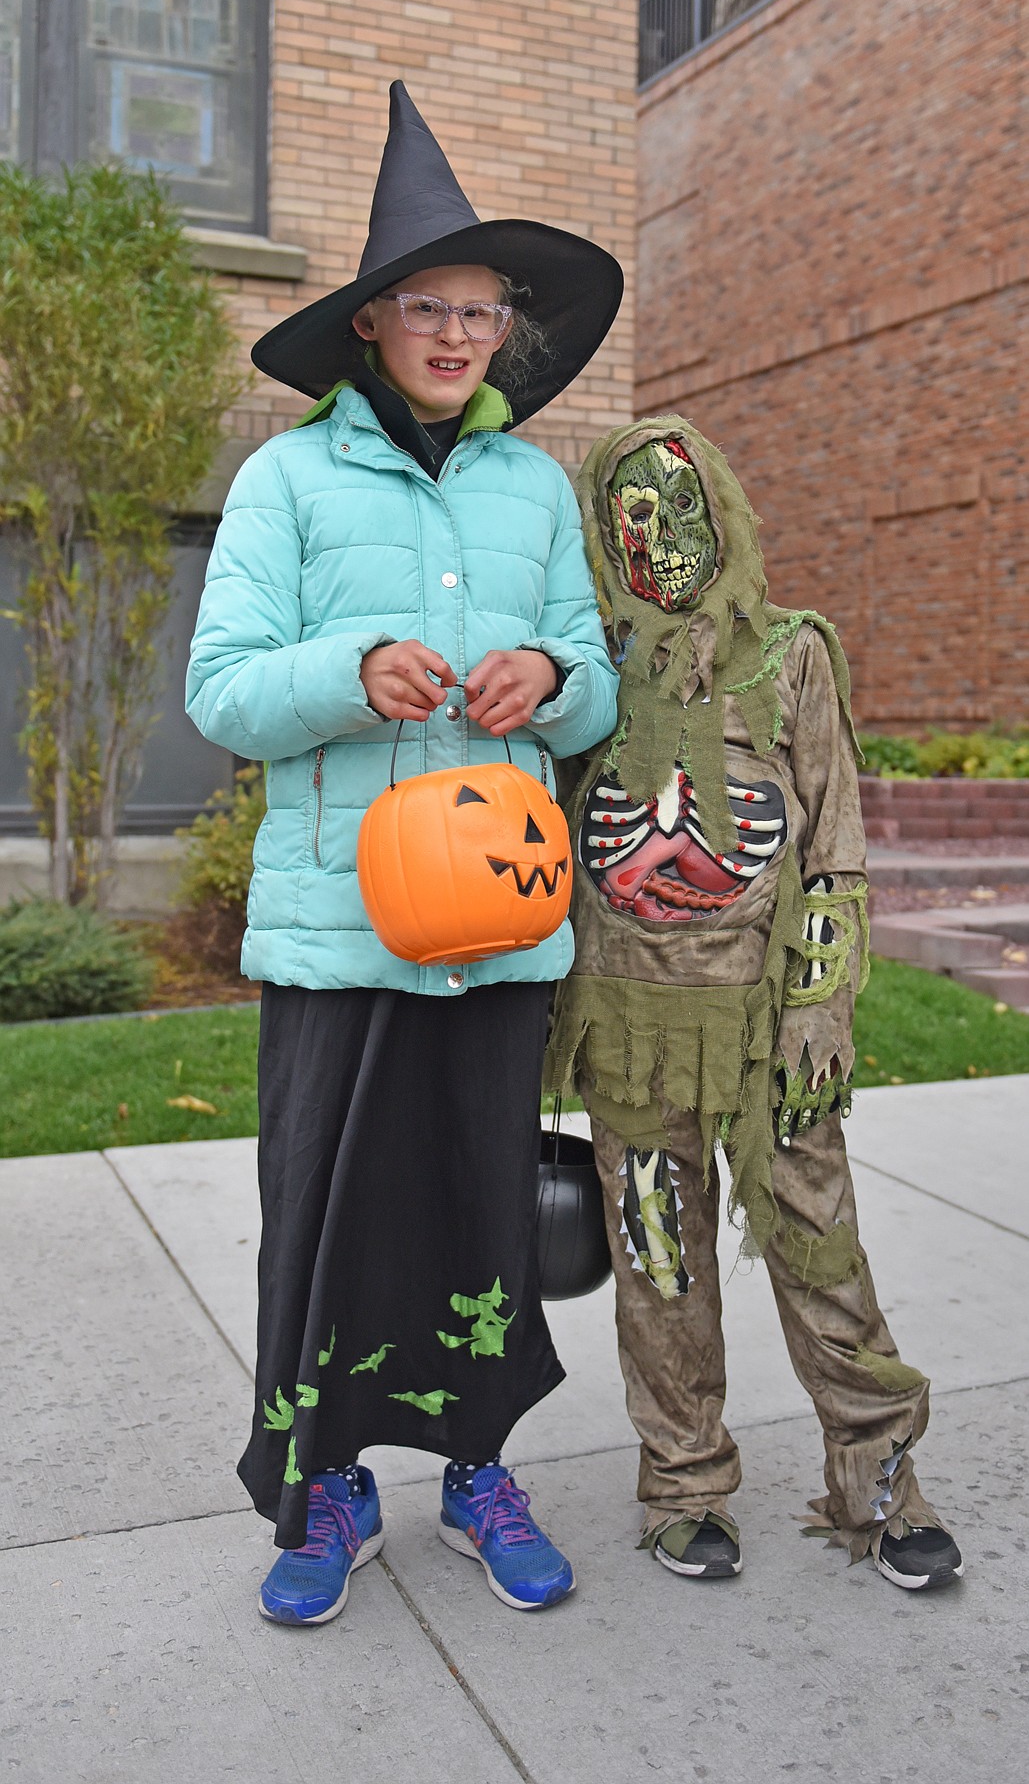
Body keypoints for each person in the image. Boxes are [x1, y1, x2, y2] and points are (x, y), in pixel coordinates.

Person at [186, 83, 622, 1624]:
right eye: (424, 304)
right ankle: (328, 1492)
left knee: (473, 1210)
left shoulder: (534, 488)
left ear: (508, 328)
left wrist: (557, 685)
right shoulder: (285, 482)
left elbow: (594, 678)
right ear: (369, 323)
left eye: (480, 307)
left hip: (501, 922)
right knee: (326, 1212)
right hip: (339, 930)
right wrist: (346, 669)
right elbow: (221, 689)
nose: (454, 332)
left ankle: (478, 1476)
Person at [545, 415, 964, 1593]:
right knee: (660, 1263)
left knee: (820, 1245)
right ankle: (684, 1482)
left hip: (768, 1030)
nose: (664, 542)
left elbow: (832, 846)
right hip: (629, 1036)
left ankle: (877, 1470)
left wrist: (821, 1003)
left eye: (683, 511)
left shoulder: (791, 655)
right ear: (604, 539)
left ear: (721, 512)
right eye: (633, 520)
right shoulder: (590, 670)